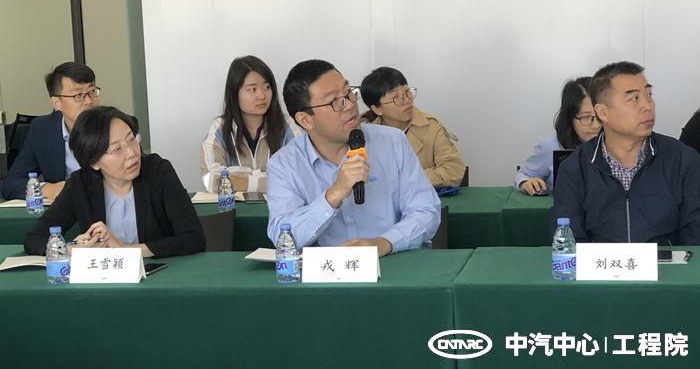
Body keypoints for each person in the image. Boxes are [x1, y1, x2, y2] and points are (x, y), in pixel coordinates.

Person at [266, 59, 440, 257]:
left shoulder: (393, 142)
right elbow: (284, 239)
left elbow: (426, 211)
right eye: (335, 102)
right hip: (328, 273)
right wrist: (334, 194)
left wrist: (384, 243)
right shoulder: (284, 165)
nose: (349, 105)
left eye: (348, 92)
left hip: (393, 265)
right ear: (305, 120)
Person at [551, 61, 700, 244]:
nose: (647, 106)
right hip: (600, 262)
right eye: (634, 98)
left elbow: (695, 232)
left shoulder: (683, 160)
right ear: (603, 113)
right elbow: (569, 238)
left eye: (649, 95)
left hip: (666, 261)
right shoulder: (574, 168)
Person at [25, 106, 205, 257]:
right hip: (104, 280)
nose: (131, 153)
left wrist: (125, 251)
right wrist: (74, 249)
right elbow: (35, 238)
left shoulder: (158, 171)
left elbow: (193, 238)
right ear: (94, 162)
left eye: (132, 139)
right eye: (117, 149)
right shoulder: (80, 184)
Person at [1, 62, 101, 200]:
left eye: (92, 91)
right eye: (78, 95)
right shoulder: (42, 130)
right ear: (57, 103)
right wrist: (46, 189)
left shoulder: (116, 127)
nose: (89, 101)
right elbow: (11, 183)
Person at [200, 55, 300, 193]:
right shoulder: (220, 128)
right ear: (235, 93)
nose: (262, 95)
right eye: (253, 89)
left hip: (279, 206)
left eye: (267, 87)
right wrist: (271, 179)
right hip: (234, 207)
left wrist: (237, 179)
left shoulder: (287, 126)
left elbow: (299, 177)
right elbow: (211, 179)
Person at [359, 66, 466, 188]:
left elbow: (453, 170)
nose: (406, 100)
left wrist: (408, 179)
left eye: (406, 92)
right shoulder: (365, 133)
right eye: (396, 98)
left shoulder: (431, 128)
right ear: (377, 109)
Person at [515, 77, 601, 195]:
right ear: (569, 117)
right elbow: (523, 175)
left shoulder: (617, 145)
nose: (596, 125)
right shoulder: (550, 146)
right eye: (586, 117)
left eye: (600, 115)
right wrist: (526, 183)